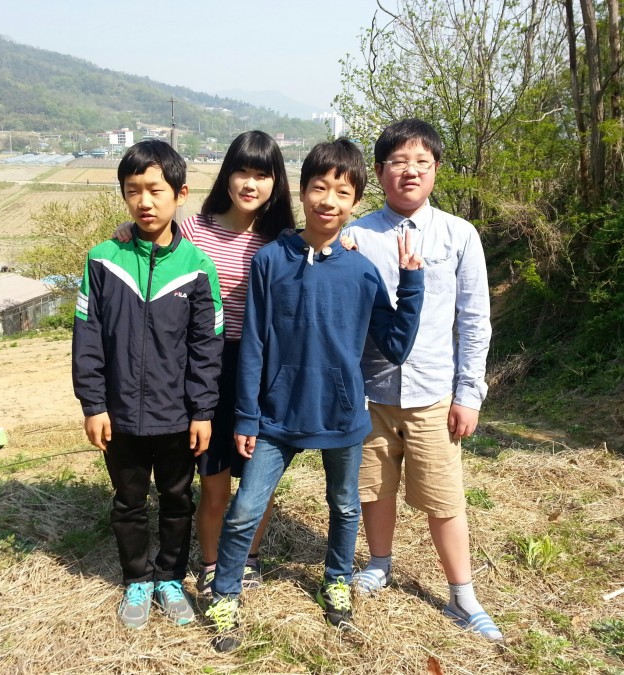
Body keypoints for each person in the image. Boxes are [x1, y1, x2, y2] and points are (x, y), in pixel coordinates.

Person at [205, 139, 425, 652]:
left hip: (342, 414)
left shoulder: (362, 270)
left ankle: (336, 582)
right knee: (244, 510)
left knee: (344, 507)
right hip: (276, 415)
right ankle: (225, 594)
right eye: (319, 188)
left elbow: (395, 345)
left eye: (342, 192)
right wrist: (246, 416)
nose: (329, 200)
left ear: (355, 202)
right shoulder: (270, 260)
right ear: (302, 192)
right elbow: (254, 343)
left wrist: (412, 283)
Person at [115, 131, 296, 597]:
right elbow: (152, 246)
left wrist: (346, 243)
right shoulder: (196, 229)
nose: (250, 184)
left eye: (262, 174)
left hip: (262, 369)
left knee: (257, 482)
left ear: (276, 182)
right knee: (214, 483)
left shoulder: (284, 241)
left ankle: (247, 558)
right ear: (226, 176)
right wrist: (124, 232)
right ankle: (213, 563)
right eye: (241, 171)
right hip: (204, 365)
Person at [345, 119, 503, 641]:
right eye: (398, 162)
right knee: (374, 487)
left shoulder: (459, 234)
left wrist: (469, 393)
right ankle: (379, 564)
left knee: (445, 497)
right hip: (369, 393)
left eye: (421, 162)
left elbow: (474, 319)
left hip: (434, 395)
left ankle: (462, 594)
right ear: (380, 171)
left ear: (435, 170)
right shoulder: (356, 235)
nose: (409, 172)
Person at [72, 140, 224, 630]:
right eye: (133, 190)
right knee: (128, 501)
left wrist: (203, 411)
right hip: (118, 414)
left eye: (156, 190)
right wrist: (93, 404)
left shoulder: (197, 267)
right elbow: (87, 337)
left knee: (178, 500)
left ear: (180, 194)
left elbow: (207, 348)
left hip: (177, 415)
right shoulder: (102, 260)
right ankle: (137, 578)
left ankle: (171, 577)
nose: (145, 201)